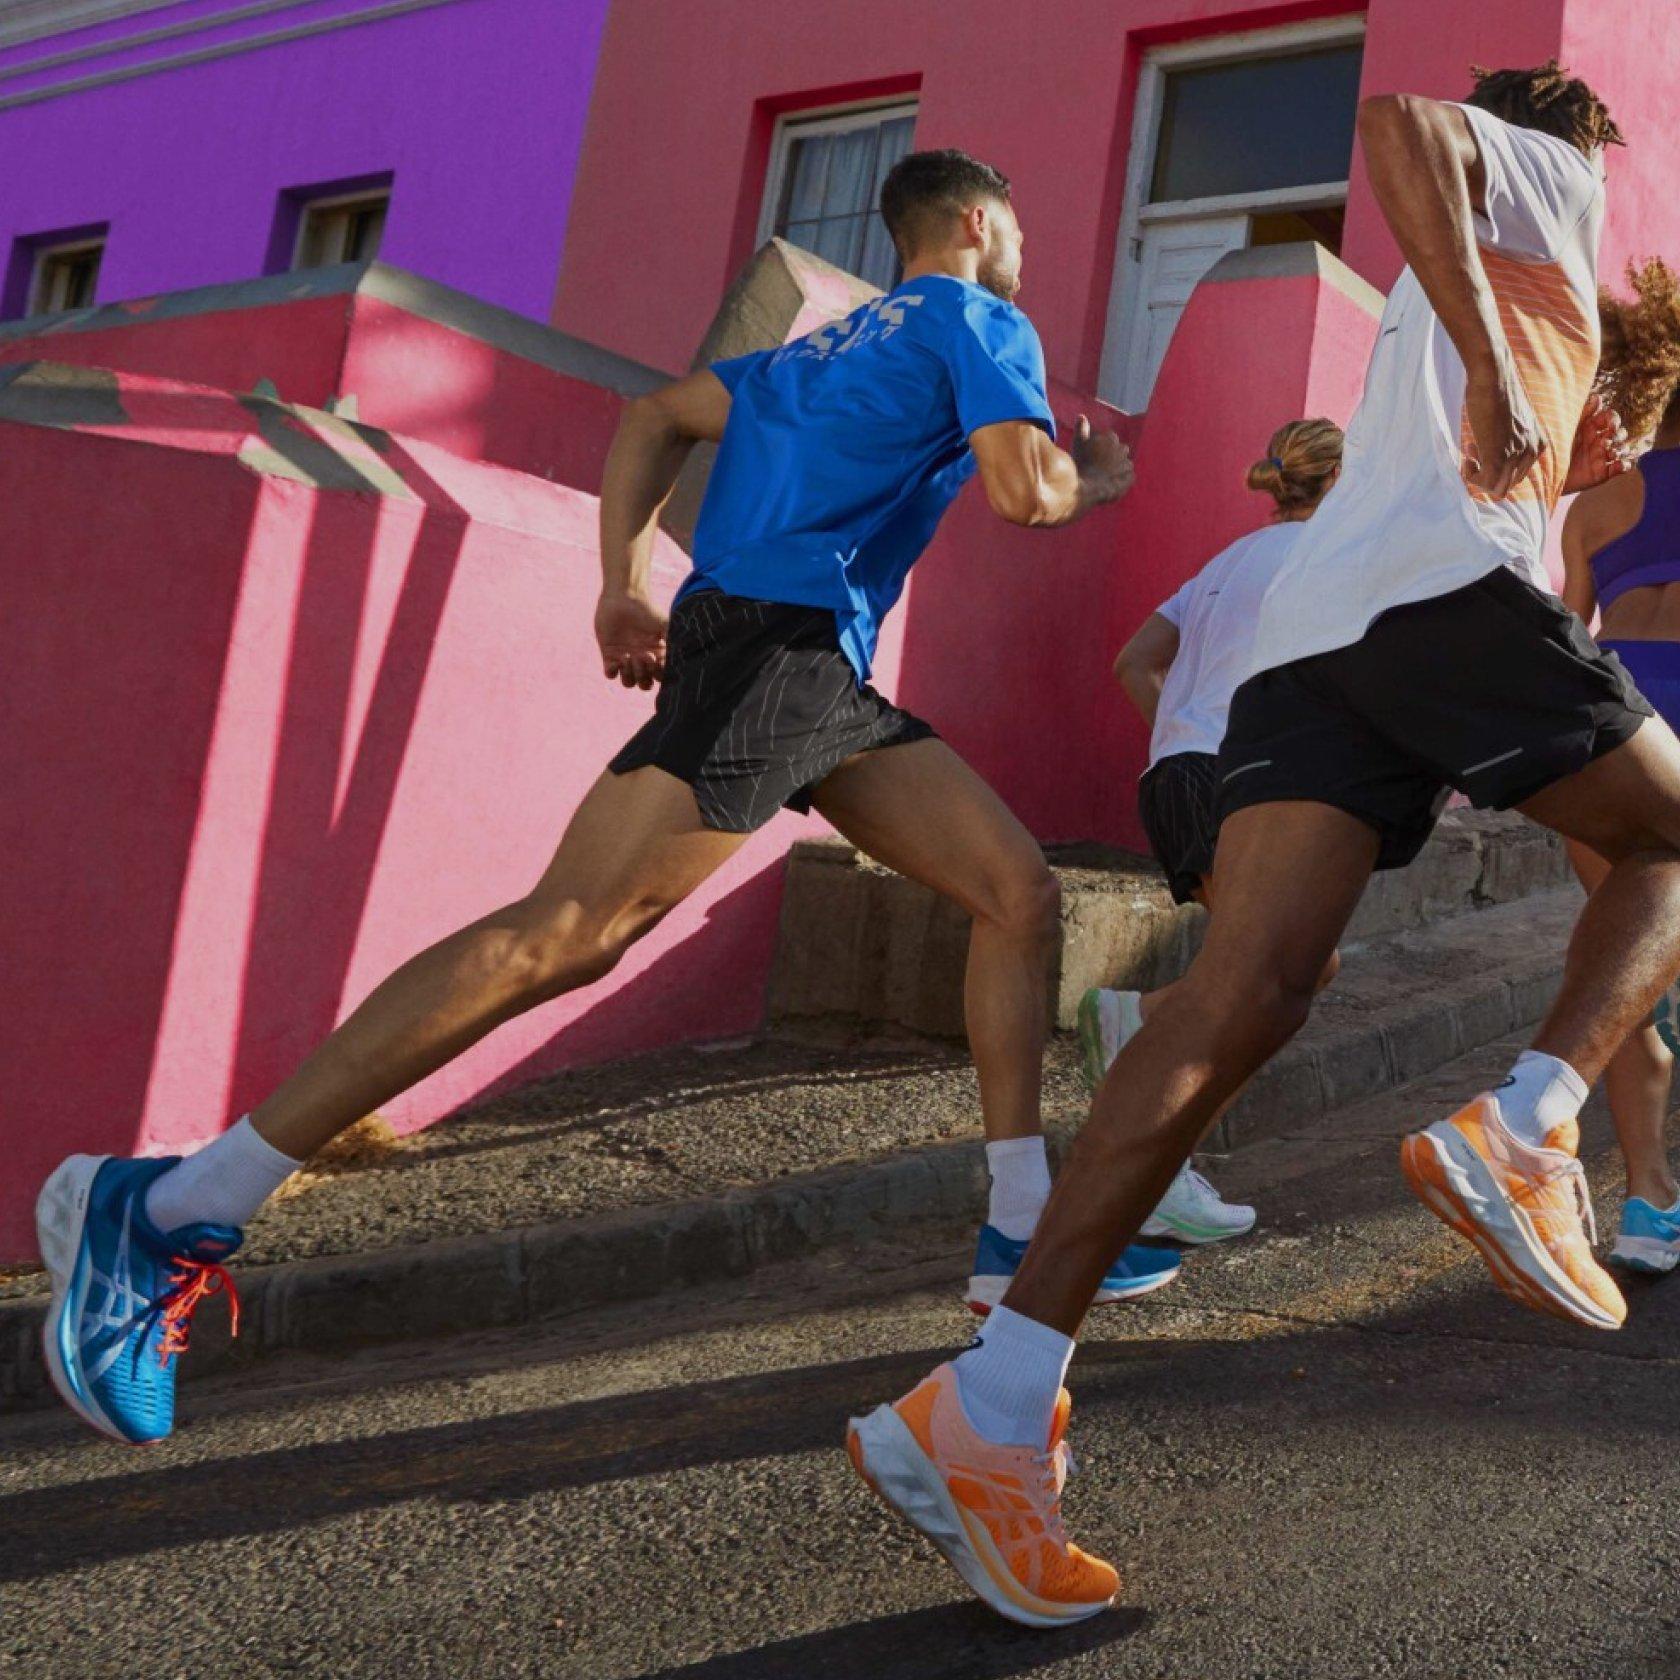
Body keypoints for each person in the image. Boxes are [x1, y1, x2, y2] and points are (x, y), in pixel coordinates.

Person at [36, 148, 1154, 1449]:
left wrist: (620, 583)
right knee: (565, 934)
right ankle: (171, 1212)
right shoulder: (979, 321)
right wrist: (1092, 485)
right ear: (974, 223)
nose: (1020, 251)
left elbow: (654, 416)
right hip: (782, 650)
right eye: (1013, 228)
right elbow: (1025, 492)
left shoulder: (816, 355)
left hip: (800, 661)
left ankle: (1020, 1221)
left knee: (1015, 891)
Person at [849, 62, 1650, 1628]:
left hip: (1315, 643)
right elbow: (1402, 122)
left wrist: (1557, 424)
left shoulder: (1455, 283)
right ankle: (1532, 1126)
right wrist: (1507, 356)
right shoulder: (1551, 173)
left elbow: (1477, 411)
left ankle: (998, 1399)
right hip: (1434, 599)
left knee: (1244, 994)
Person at [1077, 418, 1346, 1247]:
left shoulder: (1227, 562)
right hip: (1232, 783)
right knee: (1264, 983)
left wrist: (1179, 739)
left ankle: (1163, 1149)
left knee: (1288, 971)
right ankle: (1153, 1124)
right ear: (1342, 487)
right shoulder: (1328, 562)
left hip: (1175, 776)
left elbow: (1134, 662)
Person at [1560, 256, 1680, 1272]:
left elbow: (1561, 638)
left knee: (1624, 974)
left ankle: (1649, 1207)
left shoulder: (1599, 506)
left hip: (1615, 730)